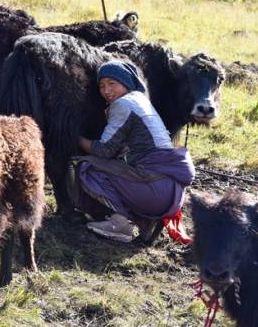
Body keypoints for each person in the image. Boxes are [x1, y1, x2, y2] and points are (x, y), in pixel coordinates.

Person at [67, 60, 195, 243]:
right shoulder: (141, 100)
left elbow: (104, 151)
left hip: (155, 189)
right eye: (102, 86)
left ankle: (119, 222)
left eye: (112, 84)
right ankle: (143, 219)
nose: (106, 91)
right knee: (116, 167)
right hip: (172, 193)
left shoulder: (123, 104)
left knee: (84, 166)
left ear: (126, 83)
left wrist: (74, 137)